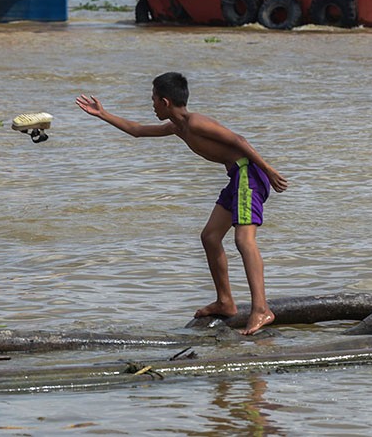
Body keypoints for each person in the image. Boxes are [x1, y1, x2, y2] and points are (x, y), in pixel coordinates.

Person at [75, 72, 288, 335]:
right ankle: (225, 302)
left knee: (244, 240)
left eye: (153, 100)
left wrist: (268, 170)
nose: (152, 105)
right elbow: (137, 131)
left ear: (165, 102)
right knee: (210, 237)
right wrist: (102, 114)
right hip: (237, 177)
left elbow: (239, 141)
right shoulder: (177, 127)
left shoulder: (195, 122)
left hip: (249, 175)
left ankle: (261, 309)